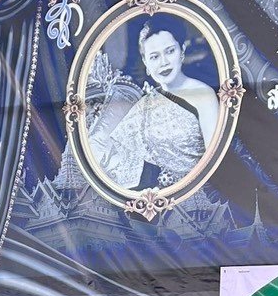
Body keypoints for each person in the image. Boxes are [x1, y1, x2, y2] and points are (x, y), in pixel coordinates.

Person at [92, 15, 220, 190]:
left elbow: (215, 162)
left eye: (170, 51)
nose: (164, 63)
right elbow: (121, 156)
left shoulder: (203, 95)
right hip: (153, 194)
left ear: (182, 51)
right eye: (154, 57)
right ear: (145, 62)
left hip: (200, 191)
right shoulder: (146, 103)